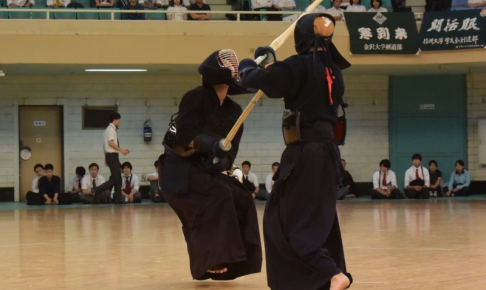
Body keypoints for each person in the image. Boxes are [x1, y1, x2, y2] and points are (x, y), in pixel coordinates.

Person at [239, 13, 353, 290]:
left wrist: (251, 62)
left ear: (300, 37)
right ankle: (320, 279)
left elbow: (252, 80)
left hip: (305, 152)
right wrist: (272, 65)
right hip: (328, 153)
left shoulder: (300, 65)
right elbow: (286, 84)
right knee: (318, 218)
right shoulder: (333, 71)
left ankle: (333, 274)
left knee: (285, 220)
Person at [159, 49, 262, 281]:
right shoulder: (196, 97)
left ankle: (236, 261)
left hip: (205, 170)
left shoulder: (235, 111)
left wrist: (221, 159)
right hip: (179, 169)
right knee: (217, 194)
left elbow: (230, 152)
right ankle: (214, 259)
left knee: (241, 197)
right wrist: (212, 144)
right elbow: (185, 134)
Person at [94, 112, 130, 204]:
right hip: (112, 155)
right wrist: (121, 150)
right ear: (115, 119)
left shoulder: (107, 129)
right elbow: (110, 143)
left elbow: (104, 145)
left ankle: (118, 198)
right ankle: (97, 190)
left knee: (118, 178)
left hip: (111, 155)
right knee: (115, 178)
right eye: (119, 119)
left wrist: (105, 157)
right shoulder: (111, 129)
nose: (119, 121)